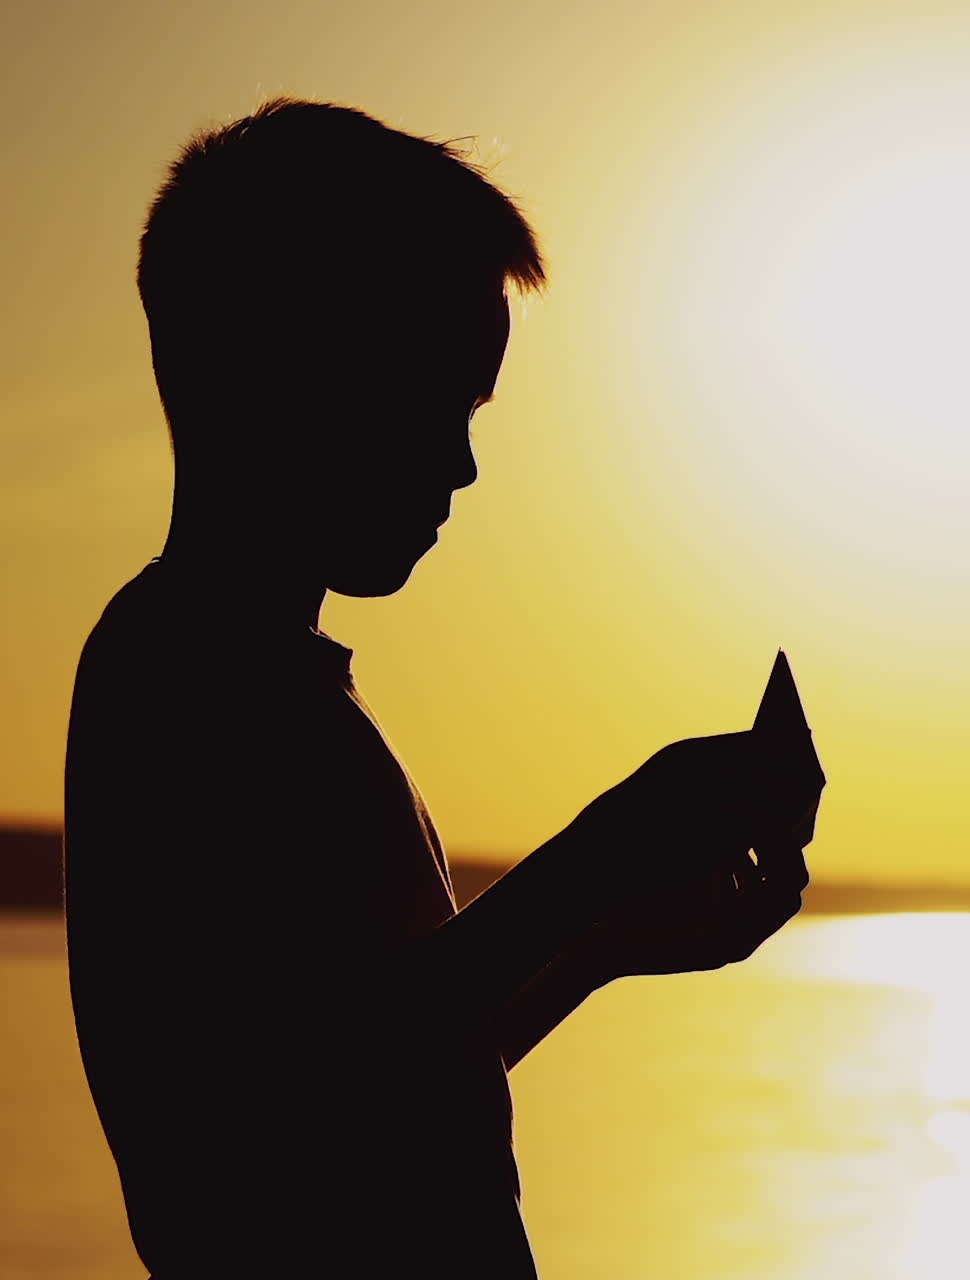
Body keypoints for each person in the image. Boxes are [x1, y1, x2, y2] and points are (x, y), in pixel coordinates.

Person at [62, 96, 822, 1279]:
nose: (463, 464)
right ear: (284, 374)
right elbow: (271, 1117)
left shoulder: (274, 686)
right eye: (432, 404)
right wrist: (596, 858)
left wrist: (599, 939)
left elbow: (392, 1084)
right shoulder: (179, 684)